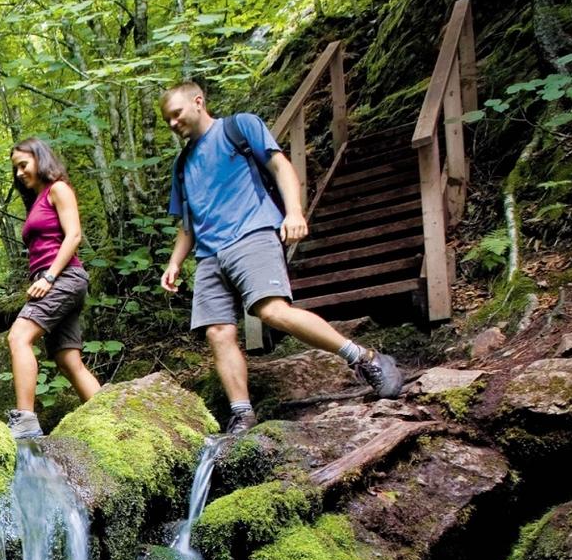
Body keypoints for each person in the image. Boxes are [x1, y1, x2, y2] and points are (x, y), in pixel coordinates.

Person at [159, 81, 401, 437]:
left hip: (252, 233)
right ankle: (242, 415)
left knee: (271, 311)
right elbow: (187, 225)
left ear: (198, 102)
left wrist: (294, 213)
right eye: (167, 119)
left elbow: (281, 167)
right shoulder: (182, 165)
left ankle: (364, 359)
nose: (172, 124)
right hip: (209, 255)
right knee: (217, 332)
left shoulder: (238, 127)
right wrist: (175, 262)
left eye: (176, 114)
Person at [5, 138, 100, 440]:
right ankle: (110, 416)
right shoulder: (37, 201)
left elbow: (73, 236)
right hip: (58, 279)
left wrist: (47, 278)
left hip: (63, 278)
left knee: (19, 337)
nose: (19, 173)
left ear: (40, 158)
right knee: (67, 359)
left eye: (24, 164)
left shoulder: (58, 189)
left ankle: (26, 420)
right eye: (15, 168)